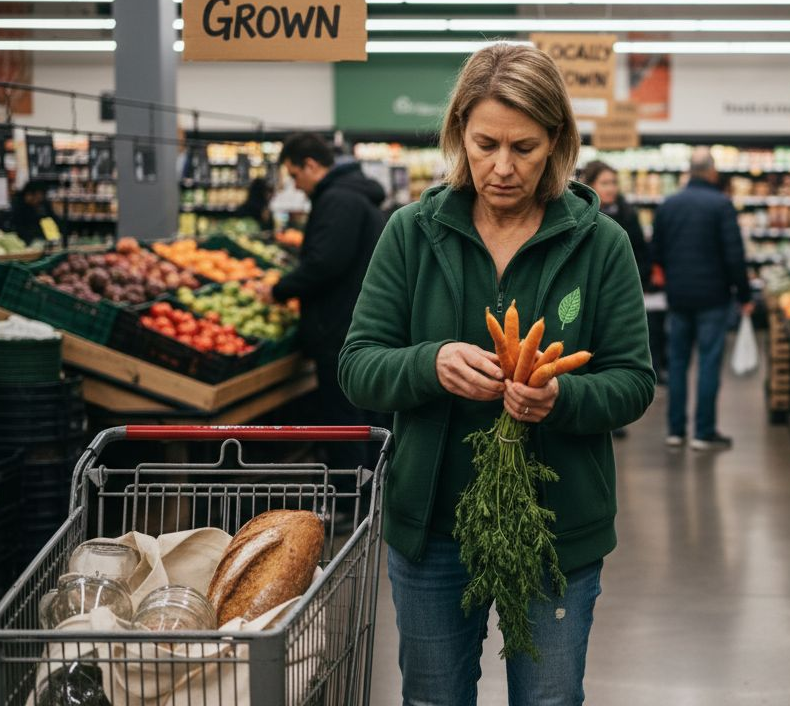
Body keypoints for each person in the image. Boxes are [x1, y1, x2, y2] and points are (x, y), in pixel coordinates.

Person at [338, 43, 654, 705]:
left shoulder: (601, 245)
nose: (502, 168)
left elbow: (632, 380)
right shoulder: (411, 234)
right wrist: (431, 363)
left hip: (555, 530)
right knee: (433, 698)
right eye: (484, 145)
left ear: (559, 143)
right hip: (432, 532)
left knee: (548, 698)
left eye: (525, 148)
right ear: (458, 135)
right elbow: (359, 366)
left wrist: (561, 396)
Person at [268, 132, 387, 471]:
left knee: (344, 416)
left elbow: (325, 262)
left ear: (311, 165)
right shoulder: (355, 194)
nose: (297, 185)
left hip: (338, 327)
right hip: (354, 320)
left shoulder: (337, 200)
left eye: (294, 175)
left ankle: (353, 495)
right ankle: (370, 492)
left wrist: (281, 289)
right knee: (362, 413)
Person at [650, 150, 753, 451]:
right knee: (708, 362)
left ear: (689, 171)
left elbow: (655, 251)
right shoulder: (721, 205)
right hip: (713, 297)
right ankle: (703, 433)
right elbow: (735, 256)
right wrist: (744, 295)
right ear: (711, 172)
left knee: (678, 362)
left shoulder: (669, 205)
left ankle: (676, 431)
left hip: (678, 297)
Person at [579, 159, 649, 439]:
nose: (611, 188)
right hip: (584, 298)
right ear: (590, 185)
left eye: (614, 183)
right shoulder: (580, 217)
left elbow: (641, 251)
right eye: (605, 183)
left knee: (615, 355)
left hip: (618, 294)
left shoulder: (627, 214)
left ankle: (611, 415)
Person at [9, 179, 57, 244]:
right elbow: (18, 226)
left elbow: (50, 221)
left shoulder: (43, 205)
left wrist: (53, 237)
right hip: (24, 240)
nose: (39, 198)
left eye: (41, 195)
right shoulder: (19, 206)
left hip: (42, 239)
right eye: (38, 195)